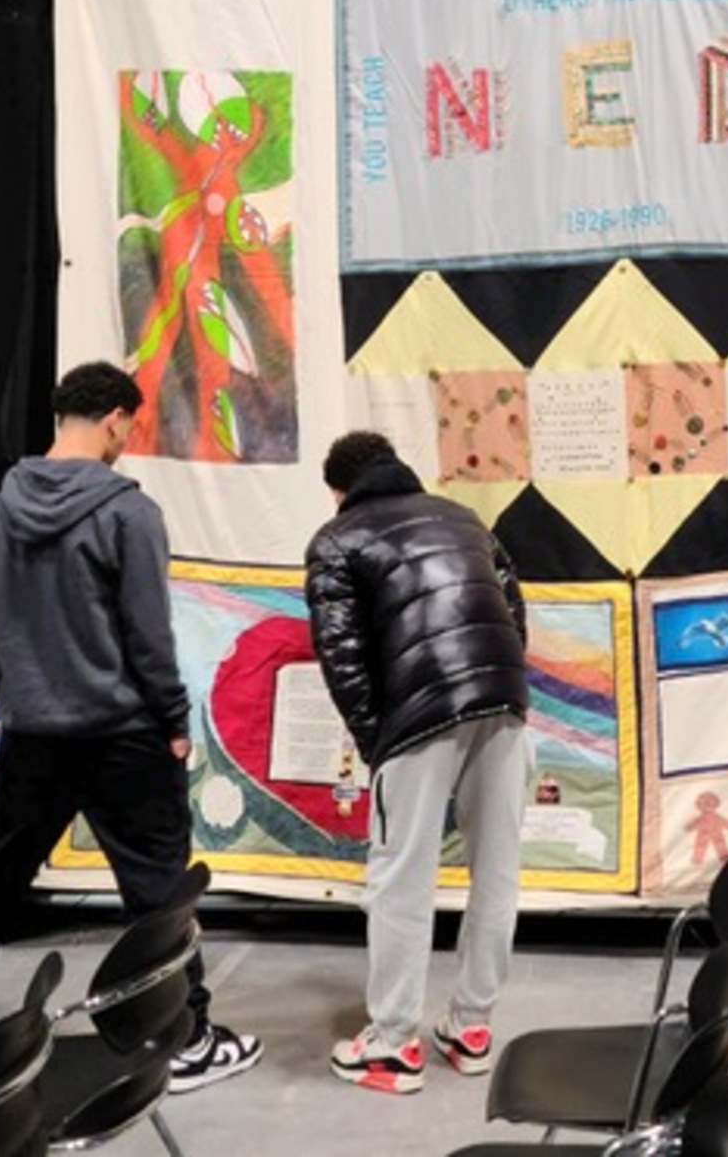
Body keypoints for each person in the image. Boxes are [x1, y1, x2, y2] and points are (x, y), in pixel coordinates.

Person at [0, 361, 262, 1093]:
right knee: (158, 888)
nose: (127, 440)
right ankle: (187, 1041)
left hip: (34, 727)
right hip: (123, 730)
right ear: (114, 421)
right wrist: (170, 717)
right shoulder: (128, 513)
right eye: (129, 427)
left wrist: (19, 696)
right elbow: (147, 635)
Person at [305, 430, 529, 1095]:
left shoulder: (336, 540)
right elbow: (513, 612)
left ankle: (393, 1044)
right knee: (498, 870)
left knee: (400, 877)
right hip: (503, 699)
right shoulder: (464, 519)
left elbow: (340, 655)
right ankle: (471, 1028)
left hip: (418, 715)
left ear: (339, 488)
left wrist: (380, 742)